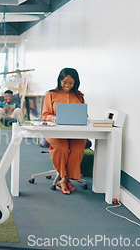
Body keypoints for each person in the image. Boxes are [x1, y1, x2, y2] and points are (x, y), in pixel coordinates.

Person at [41, 67, 86, 195]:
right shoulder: (51, 94)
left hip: (75, 132)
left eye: (71, 83)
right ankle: (65, 179)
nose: (67, 85)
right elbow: (45, 114)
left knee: (77, 149)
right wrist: (53, 118)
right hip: (56, 131)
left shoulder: (79, 96)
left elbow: (84, 115)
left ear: (75, 82)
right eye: (64, 82)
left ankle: (64, 179)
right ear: (60, 81)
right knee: (61, 148)